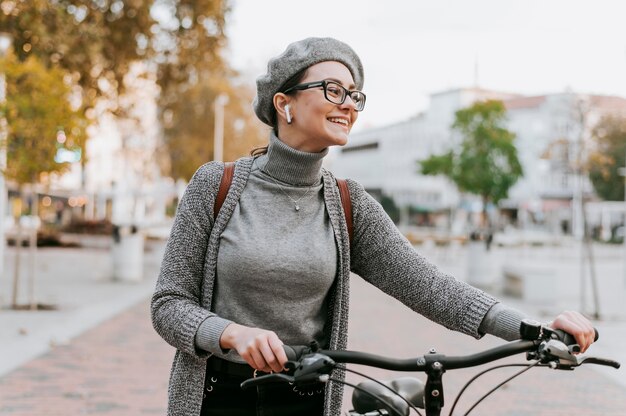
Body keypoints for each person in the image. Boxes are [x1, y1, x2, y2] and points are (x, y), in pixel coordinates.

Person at [151, 37, 596, 416]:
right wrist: (231, 334)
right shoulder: (218, 185)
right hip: (217, 396)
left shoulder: (348, 203)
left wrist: (531, 329)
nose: (348, 104)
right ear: (282, 103)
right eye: (332, 90)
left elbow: (430, 286)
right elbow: (168, 304)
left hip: (307, 398)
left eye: (355, 94)